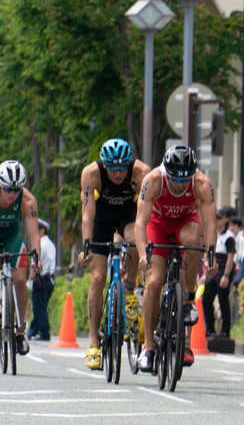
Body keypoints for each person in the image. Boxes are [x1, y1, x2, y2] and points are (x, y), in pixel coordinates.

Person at [135, 145, 218, 373]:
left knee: (193, 238)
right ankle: (148, 347)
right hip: (157, 226)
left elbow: (210, 225)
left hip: (185, 223)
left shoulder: (203, 184)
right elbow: (140, 223)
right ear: (166, 172)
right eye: (175, 180)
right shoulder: (153, 180)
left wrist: (210, 257)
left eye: (185, 180)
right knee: (154, 281)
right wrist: (143, 254)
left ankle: (188, 299)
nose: (180, 184)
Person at [78, 138, 150, 370]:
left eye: (122, 168)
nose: (118, 173)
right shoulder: (91, 173)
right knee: (98, 278)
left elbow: (144, 214)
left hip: (128, 216)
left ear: (128, 164)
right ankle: (93, 344)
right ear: (104, 164)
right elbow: (87, 215)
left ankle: (129, 287)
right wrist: (87, 246)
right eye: (112, 168)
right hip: (101, 218)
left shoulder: (141, 172)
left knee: (132, 237)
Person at [0, 160, 41, 356]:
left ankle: (20, 329)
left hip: (12, 235)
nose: (11, 194)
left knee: (20, 279)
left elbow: (34, 235)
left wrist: (36, 259)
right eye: (7, 189)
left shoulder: (27, 200)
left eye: (16, 190)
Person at [203, 208, 235, 339]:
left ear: (225, 220)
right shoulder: (212, 234)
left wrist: (226, 276)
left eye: (219, 218)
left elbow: (230, 257)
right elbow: (207, 252)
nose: (217, 220)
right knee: (206, 299)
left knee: (223, 299)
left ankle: (225, 330)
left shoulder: (229, 236)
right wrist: (205, 274)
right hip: (213, 266)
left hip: (223, 267)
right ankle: (210, 328)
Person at [28, 218, 55, 342]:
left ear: (42, 230)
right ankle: (32, 331)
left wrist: (30, 278)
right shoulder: (50, 244)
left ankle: (44, 333)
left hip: (41, 279)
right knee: (40, 307)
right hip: (49, 279)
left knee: (39, 308)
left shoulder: (41, 245)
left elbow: (36, 264)